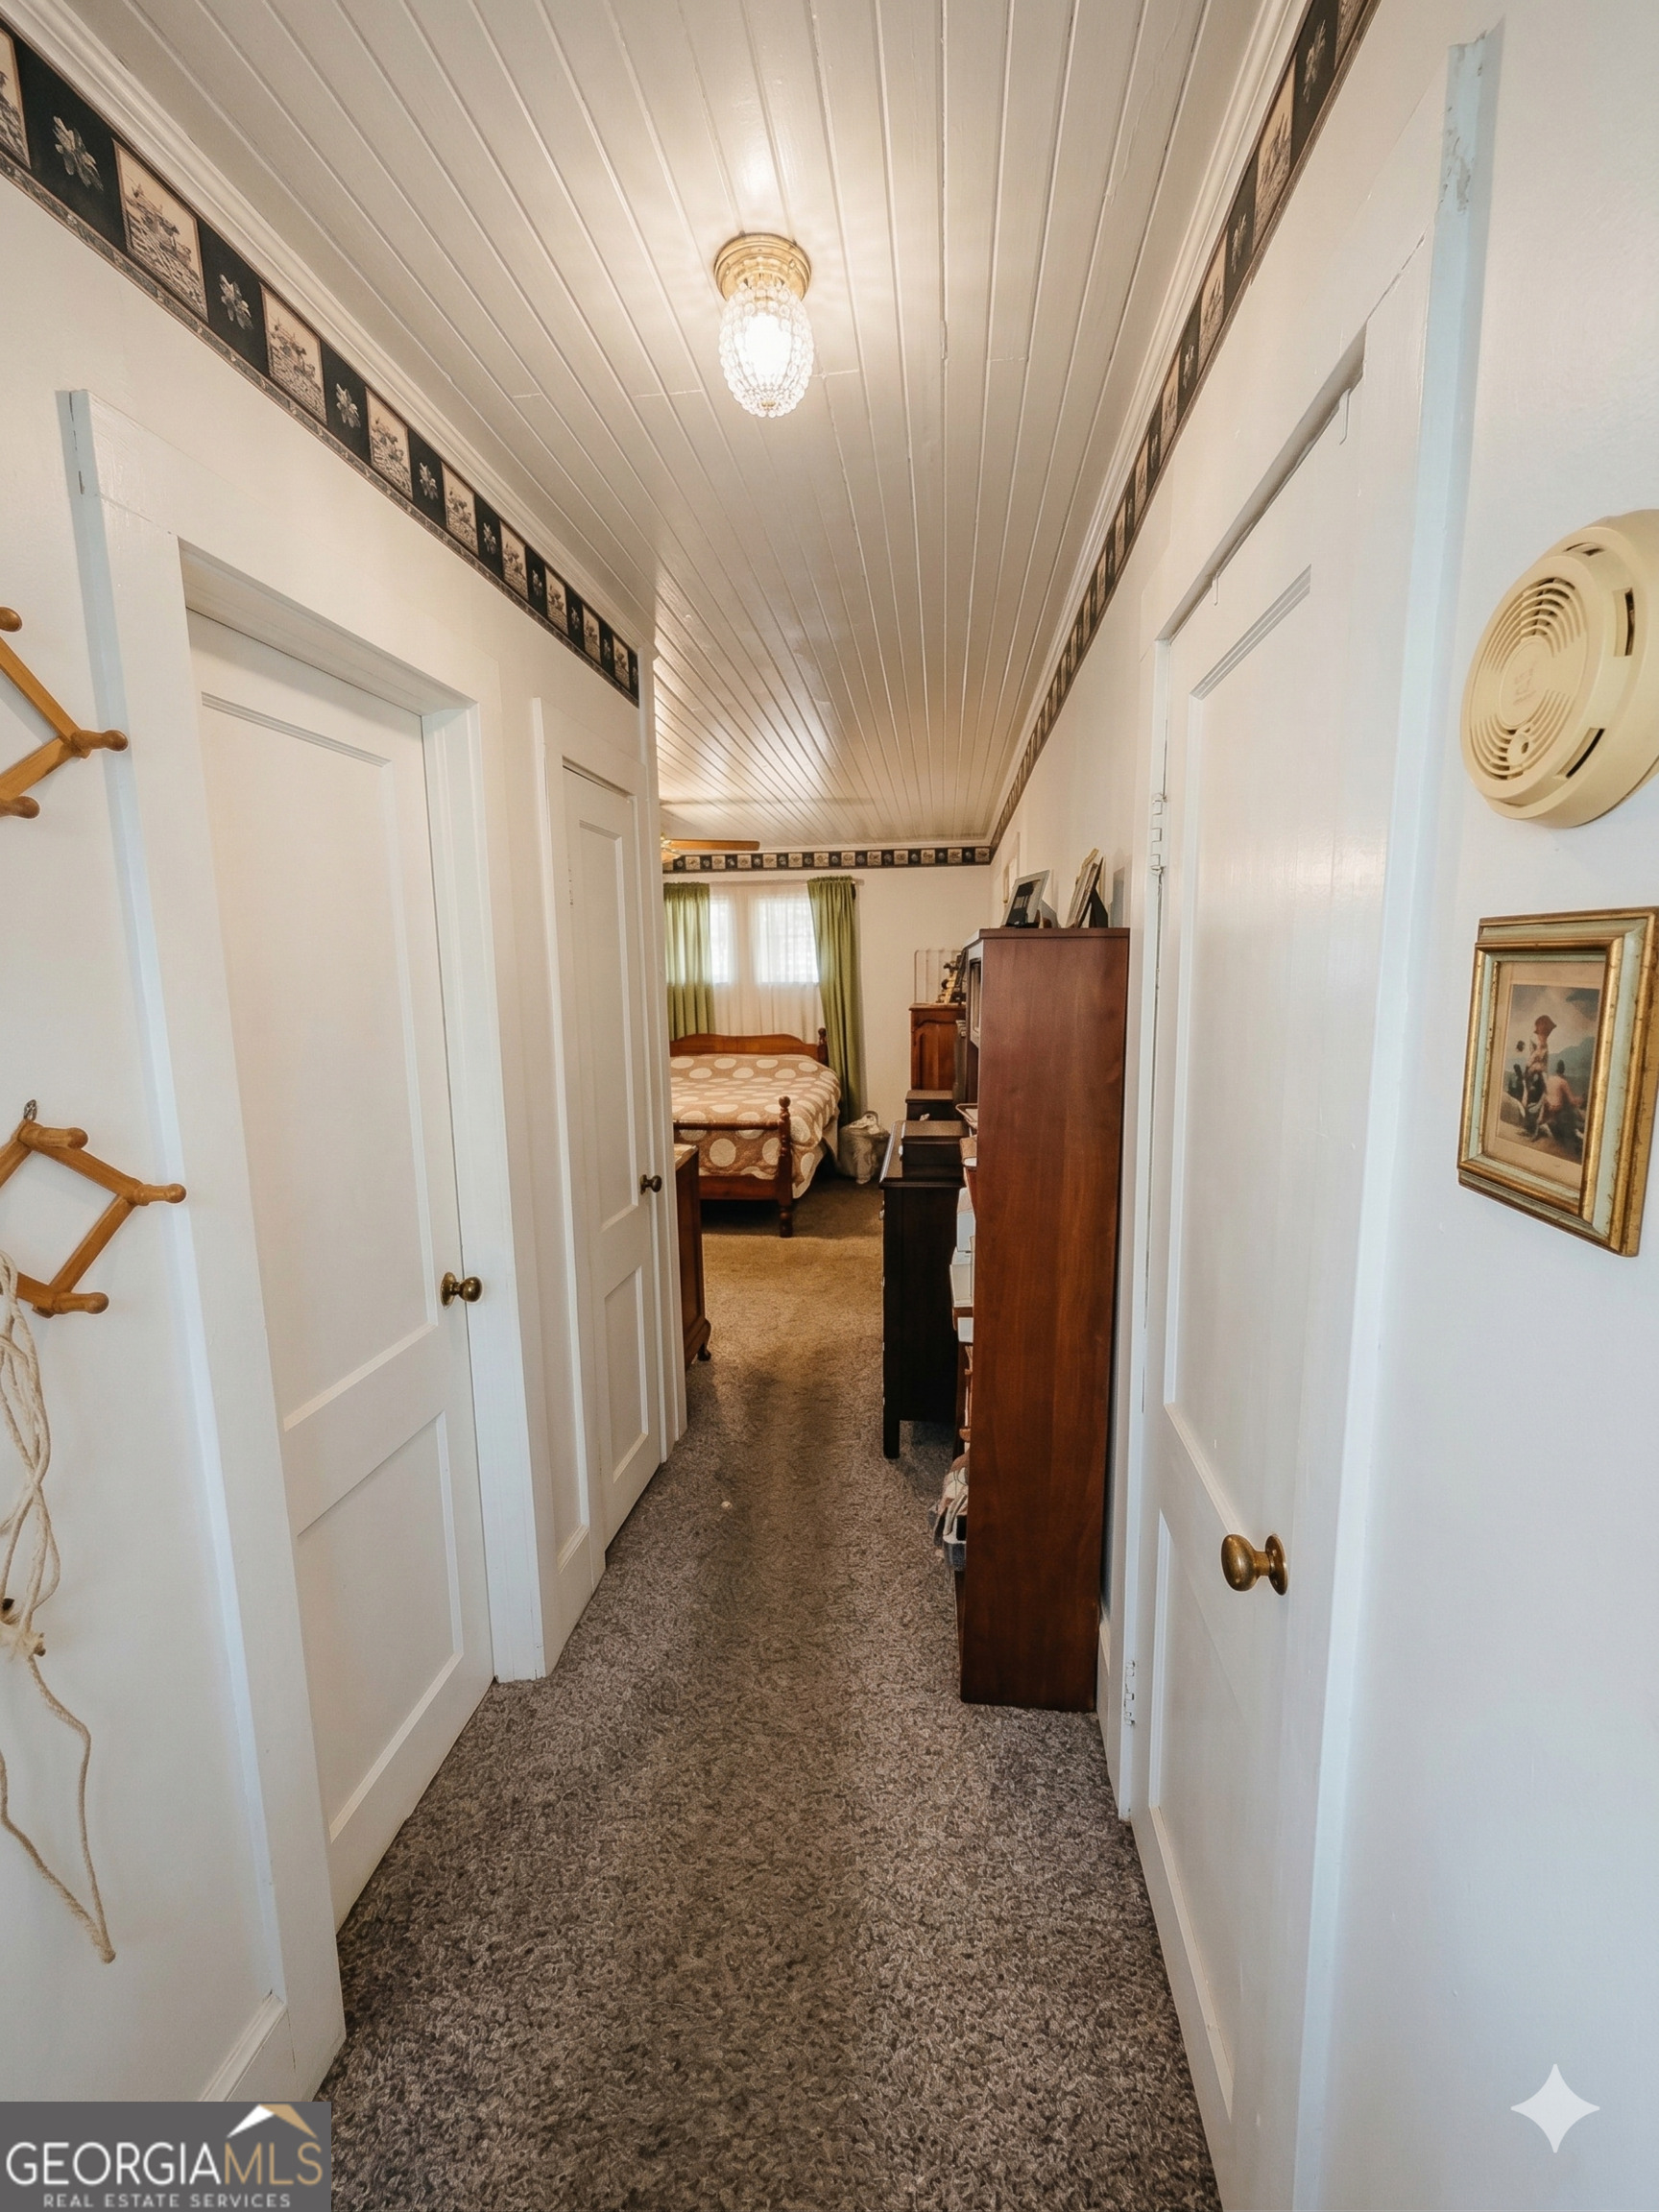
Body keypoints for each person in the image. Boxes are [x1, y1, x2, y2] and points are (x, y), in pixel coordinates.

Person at [1533, 1058, 1582, 1158]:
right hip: (1556, 1111)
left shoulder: (1550, 1079)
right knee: (1572, 1110)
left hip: (1546, 1108)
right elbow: (1572, 1101)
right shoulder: (1563, 1082)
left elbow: (1547, 1094)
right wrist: (1581, 1099)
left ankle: (1538, 1129)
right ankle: (1574, 1135)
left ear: (1556, 1069)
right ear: (1563, 1070)